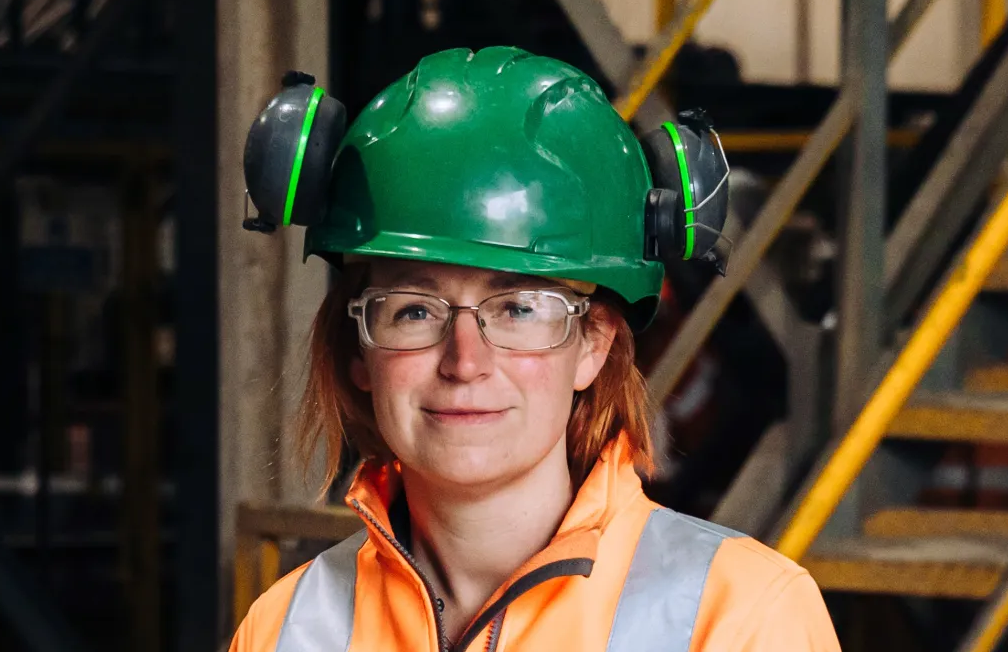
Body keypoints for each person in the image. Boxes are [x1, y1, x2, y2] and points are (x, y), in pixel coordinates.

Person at [230, 46, 841, 652]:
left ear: (593, 346)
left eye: (518, 309)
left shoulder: (743, 618)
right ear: (361, 351)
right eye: (415, 310)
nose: (464, 362)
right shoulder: (284, 630)